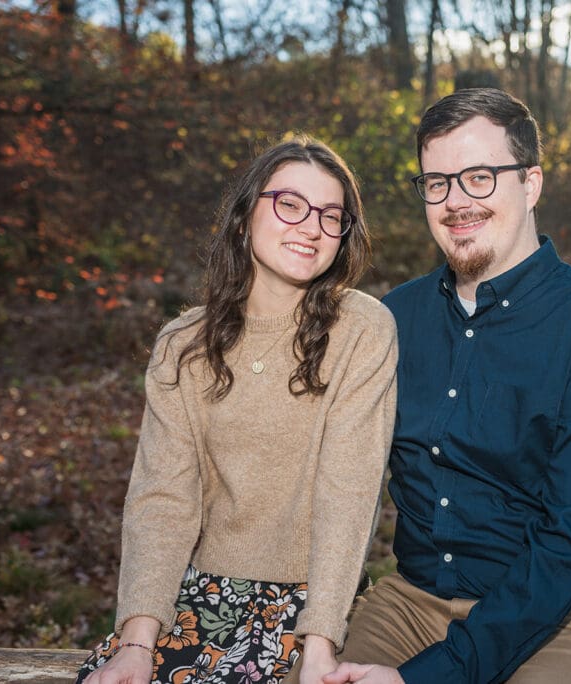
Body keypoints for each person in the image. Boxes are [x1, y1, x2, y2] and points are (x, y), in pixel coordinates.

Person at [298, 88, 571, 684]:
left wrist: (428, 678)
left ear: (531, 183)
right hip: (414, 600)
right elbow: (331, 474)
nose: (455, 201)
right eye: (436, 183)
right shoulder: (395, 319)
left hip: (563, 612)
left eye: (480, 177)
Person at [76, 135, 398, 684]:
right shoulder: (184, 344)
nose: (311, 226)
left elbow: (350, 492)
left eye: (330, 215)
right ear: (247, 214)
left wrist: (319, 642)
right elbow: (162, 500)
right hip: (195, 591)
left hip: (308, 599)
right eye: (290, 204)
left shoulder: (361, 329)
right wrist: (136, 640)